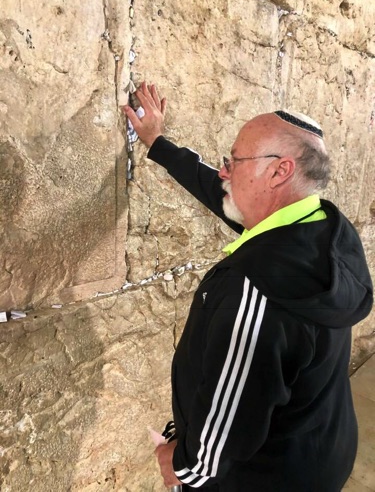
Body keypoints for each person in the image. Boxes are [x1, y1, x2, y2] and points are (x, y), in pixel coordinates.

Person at [123, 83, 373, 491]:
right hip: (320, 452)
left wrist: (180, 465)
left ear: (280, 171)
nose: (224, 171)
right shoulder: (319, 229)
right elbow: (220, 191)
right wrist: (158, 143)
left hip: (266, 478)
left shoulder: (258, 290)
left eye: (234, 160)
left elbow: (223, 436)